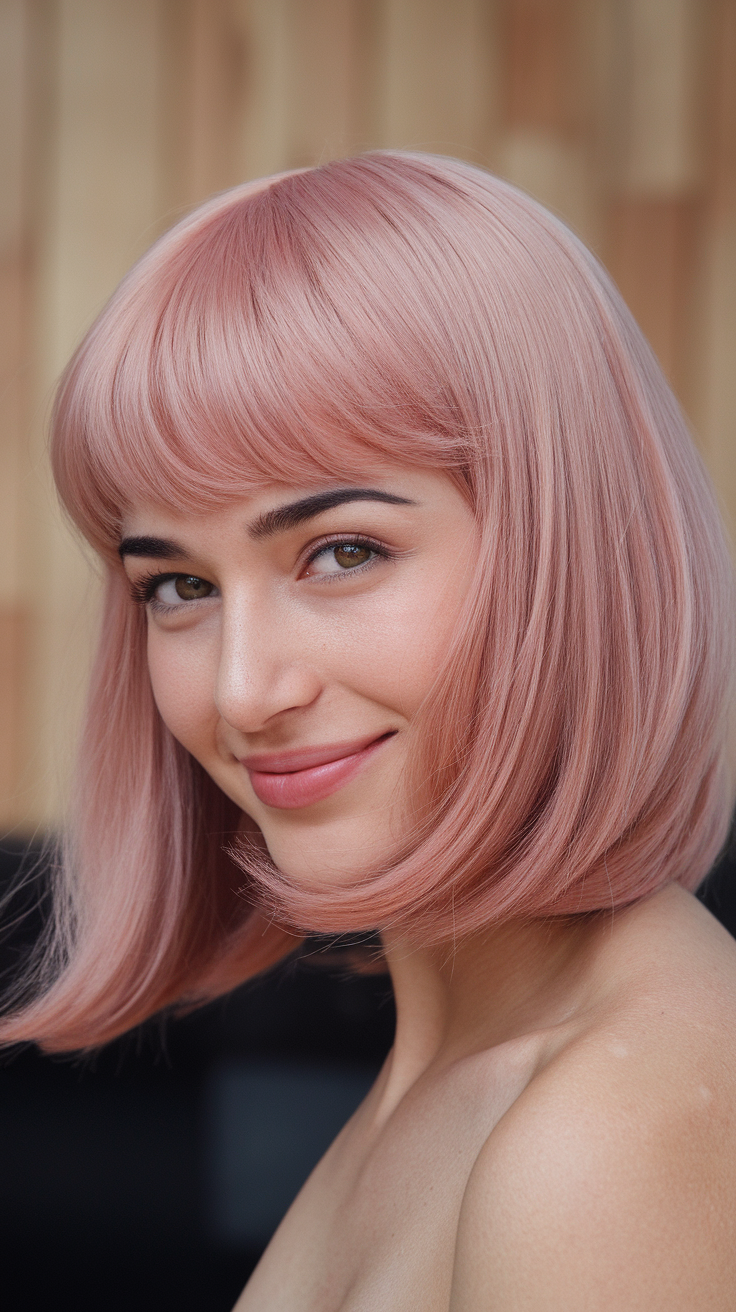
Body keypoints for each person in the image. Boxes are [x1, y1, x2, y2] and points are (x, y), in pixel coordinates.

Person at [3, 151, 736, 1309]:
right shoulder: (453, 1066)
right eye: (178, 587)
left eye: (341, 552)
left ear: (571, 552)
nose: (244, 691)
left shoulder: (613, 1132)